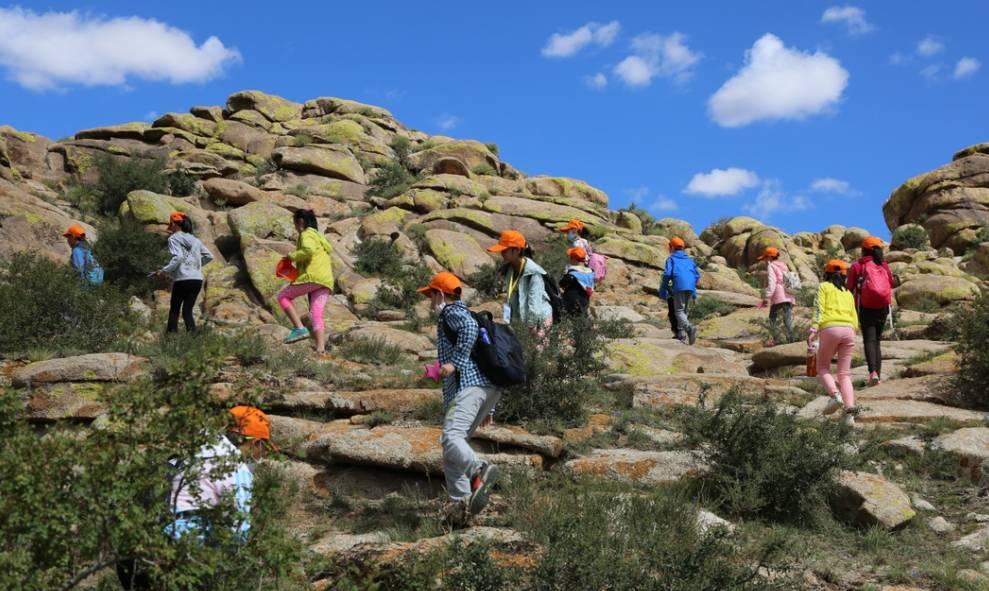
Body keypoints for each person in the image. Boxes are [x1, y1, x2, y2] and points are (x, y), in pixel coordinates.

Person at [117, 406, 273, 590]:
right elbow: (239, 528)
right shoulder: (235, 466)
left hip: (137, 551)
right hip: (185, 555)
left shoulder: (192, 451)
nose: (263, 455)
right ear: (255, 443)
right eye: (264, 448)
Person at [417, 272, 500, 527]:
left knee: (451, 437)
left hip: (470, 387)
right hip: (486, 390)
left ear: (441, 294)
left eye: (431, 295)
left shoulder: (451, 313)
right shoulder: (464, 312)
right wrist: (490, 408)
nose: (430, 301)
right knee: (452, 451)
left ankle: (478, 471)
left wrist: (454, 363)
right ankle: (461, 508)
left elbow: (469, 329)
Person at [809, 259, 860, 426]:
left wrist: (813, 330)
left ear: (827, 273)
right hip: (849, 330)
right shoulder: (848, 293)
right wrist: (853, 330)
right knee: (844, 374)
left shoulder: (823, 287)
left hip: (830, 328)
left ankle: (835, 396)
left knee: (822, 367)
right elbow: (854, 315)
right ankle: (849, 413)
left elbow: (819, 309)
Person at [277, 209, 335, 355]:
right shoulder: (319, 237)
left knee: (283, 296)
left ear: (301, 221)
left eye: (295, 224)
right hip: (326, 280)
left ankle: (299, 328)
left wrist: (291, 256)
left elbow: (308, 251)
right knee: (316, 314)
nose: (295, 227)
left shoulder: (306, 234)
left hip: (313, 276)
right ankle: (321, 350)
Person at [154, 212, 213, 333]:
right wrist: (194, 265)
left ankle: (171, 340)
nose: (170, 229)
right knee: (187, 312)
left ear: (174, 224)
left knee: (175, 310)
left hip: (182, 279)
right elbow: (209, 256)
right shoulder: (195, 240)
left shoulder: (173, 238)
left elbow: (178, 257)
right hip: (196, 280)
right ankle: (193, 340)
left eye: (171, 225)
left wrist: (163, 271)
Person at [847, 236, 895, 385]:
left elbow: (849, 287)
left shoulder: (858, 265)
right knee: (877, 341)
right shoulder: (884, 265)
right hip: (882, 307)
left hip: (865, 306)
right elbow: (891, 283)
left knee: (869, 340)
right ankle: (877, 376)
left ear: (863, 250)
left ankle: (872, 372)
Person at [487, 230, 553, 334]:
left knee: (535, 349)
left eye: (504, 250)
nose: (501, 253)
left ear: (517, 250)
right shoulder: (510, 269)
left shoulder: (533, 272)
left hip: (539, 321)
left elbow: (534, 306)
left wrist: (530, 329)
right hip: (524, 320)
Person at [658, 237, 700, 345]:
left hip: (679, 286)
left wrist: (663, 288)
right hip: (690, 287)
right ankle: (682, 335)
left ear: (671, 247)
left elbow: (667, 274)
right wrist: (694, 292)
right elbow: (696, 275)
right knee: (684, 311)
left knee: (679, 311)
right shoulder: (689, 260)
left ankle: (689, 328)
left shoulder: (671, 259)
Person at [757, 246, 796, 345]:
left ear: (769, 257)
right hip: (789, 296)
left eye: (764, 258)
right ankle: (792, 340)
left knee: (772, 318)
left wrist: (767, 297)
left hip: (779, 296)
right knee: (787, 319)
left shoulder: (771, 266)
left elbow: (772, 282)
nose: (764, 261)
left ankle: (777, 340)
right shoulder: (784, 265)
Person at [559, 246, 594, 318]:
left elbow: (561, 283)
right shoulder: (590, 272)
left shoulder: (572, 273)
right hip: (585, 301)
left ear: (574, 259)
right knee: (581, 318)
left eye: (571, 257)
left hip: (571, 302)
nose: (569, 259)